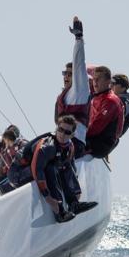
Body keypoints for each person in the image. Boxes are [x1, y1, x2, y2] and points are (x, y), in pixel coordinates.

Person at [54, 16, 91, 158]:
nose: (66, 77)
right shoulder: (65, 95)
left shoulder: (80, 91)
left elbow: (79, 64)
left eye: (70, 74)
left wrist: (79, 39)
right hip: (60, 141)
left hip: (74, 143)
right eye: (65, 73)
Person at [86, 66, 124, 158]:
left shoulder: (110, 101)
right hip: (94, 139)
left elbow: (96, 126)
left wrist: (76, 134)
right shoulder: (99, 95)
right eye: (94, 79)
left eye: (99, 79)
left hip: (100, 145)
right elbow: (86, 68)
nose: (95, 82)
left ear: (108, 82)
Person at [0, 129, 28, 194]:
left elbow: (27, 152)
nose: (4, 142)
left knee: (2, 187)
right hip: (13, 174)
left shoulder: (21, 143)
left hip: (23, 171)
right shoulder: (7, 150)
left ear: (7, 139)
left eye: (4, 140)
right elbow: (1, 162)